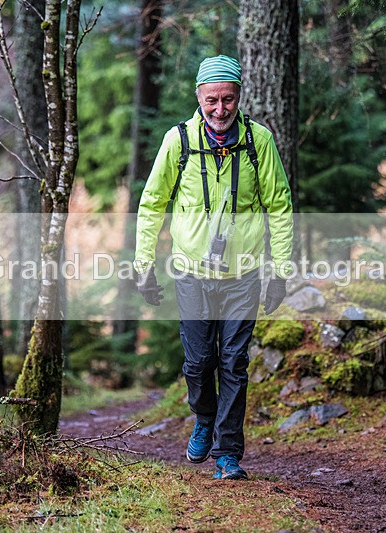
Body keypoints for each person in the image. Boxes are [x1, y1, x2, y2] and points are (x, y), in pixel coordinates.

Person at [134, 55, 294, 480]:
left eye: (227, 99)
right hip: (191, 273)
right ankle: (203, 417)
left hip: (243, 273)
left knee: (234, 363)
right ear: (199, 98)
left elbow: (279, 207)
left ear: (239, 96)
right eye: (212, 100)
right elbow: (151, 204)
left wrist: (279, 272)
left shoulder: (259, 142)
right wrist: (143, 265)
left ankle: (228, 454)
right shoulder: (180, 141)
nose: (220, 109)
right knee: (199, 361)